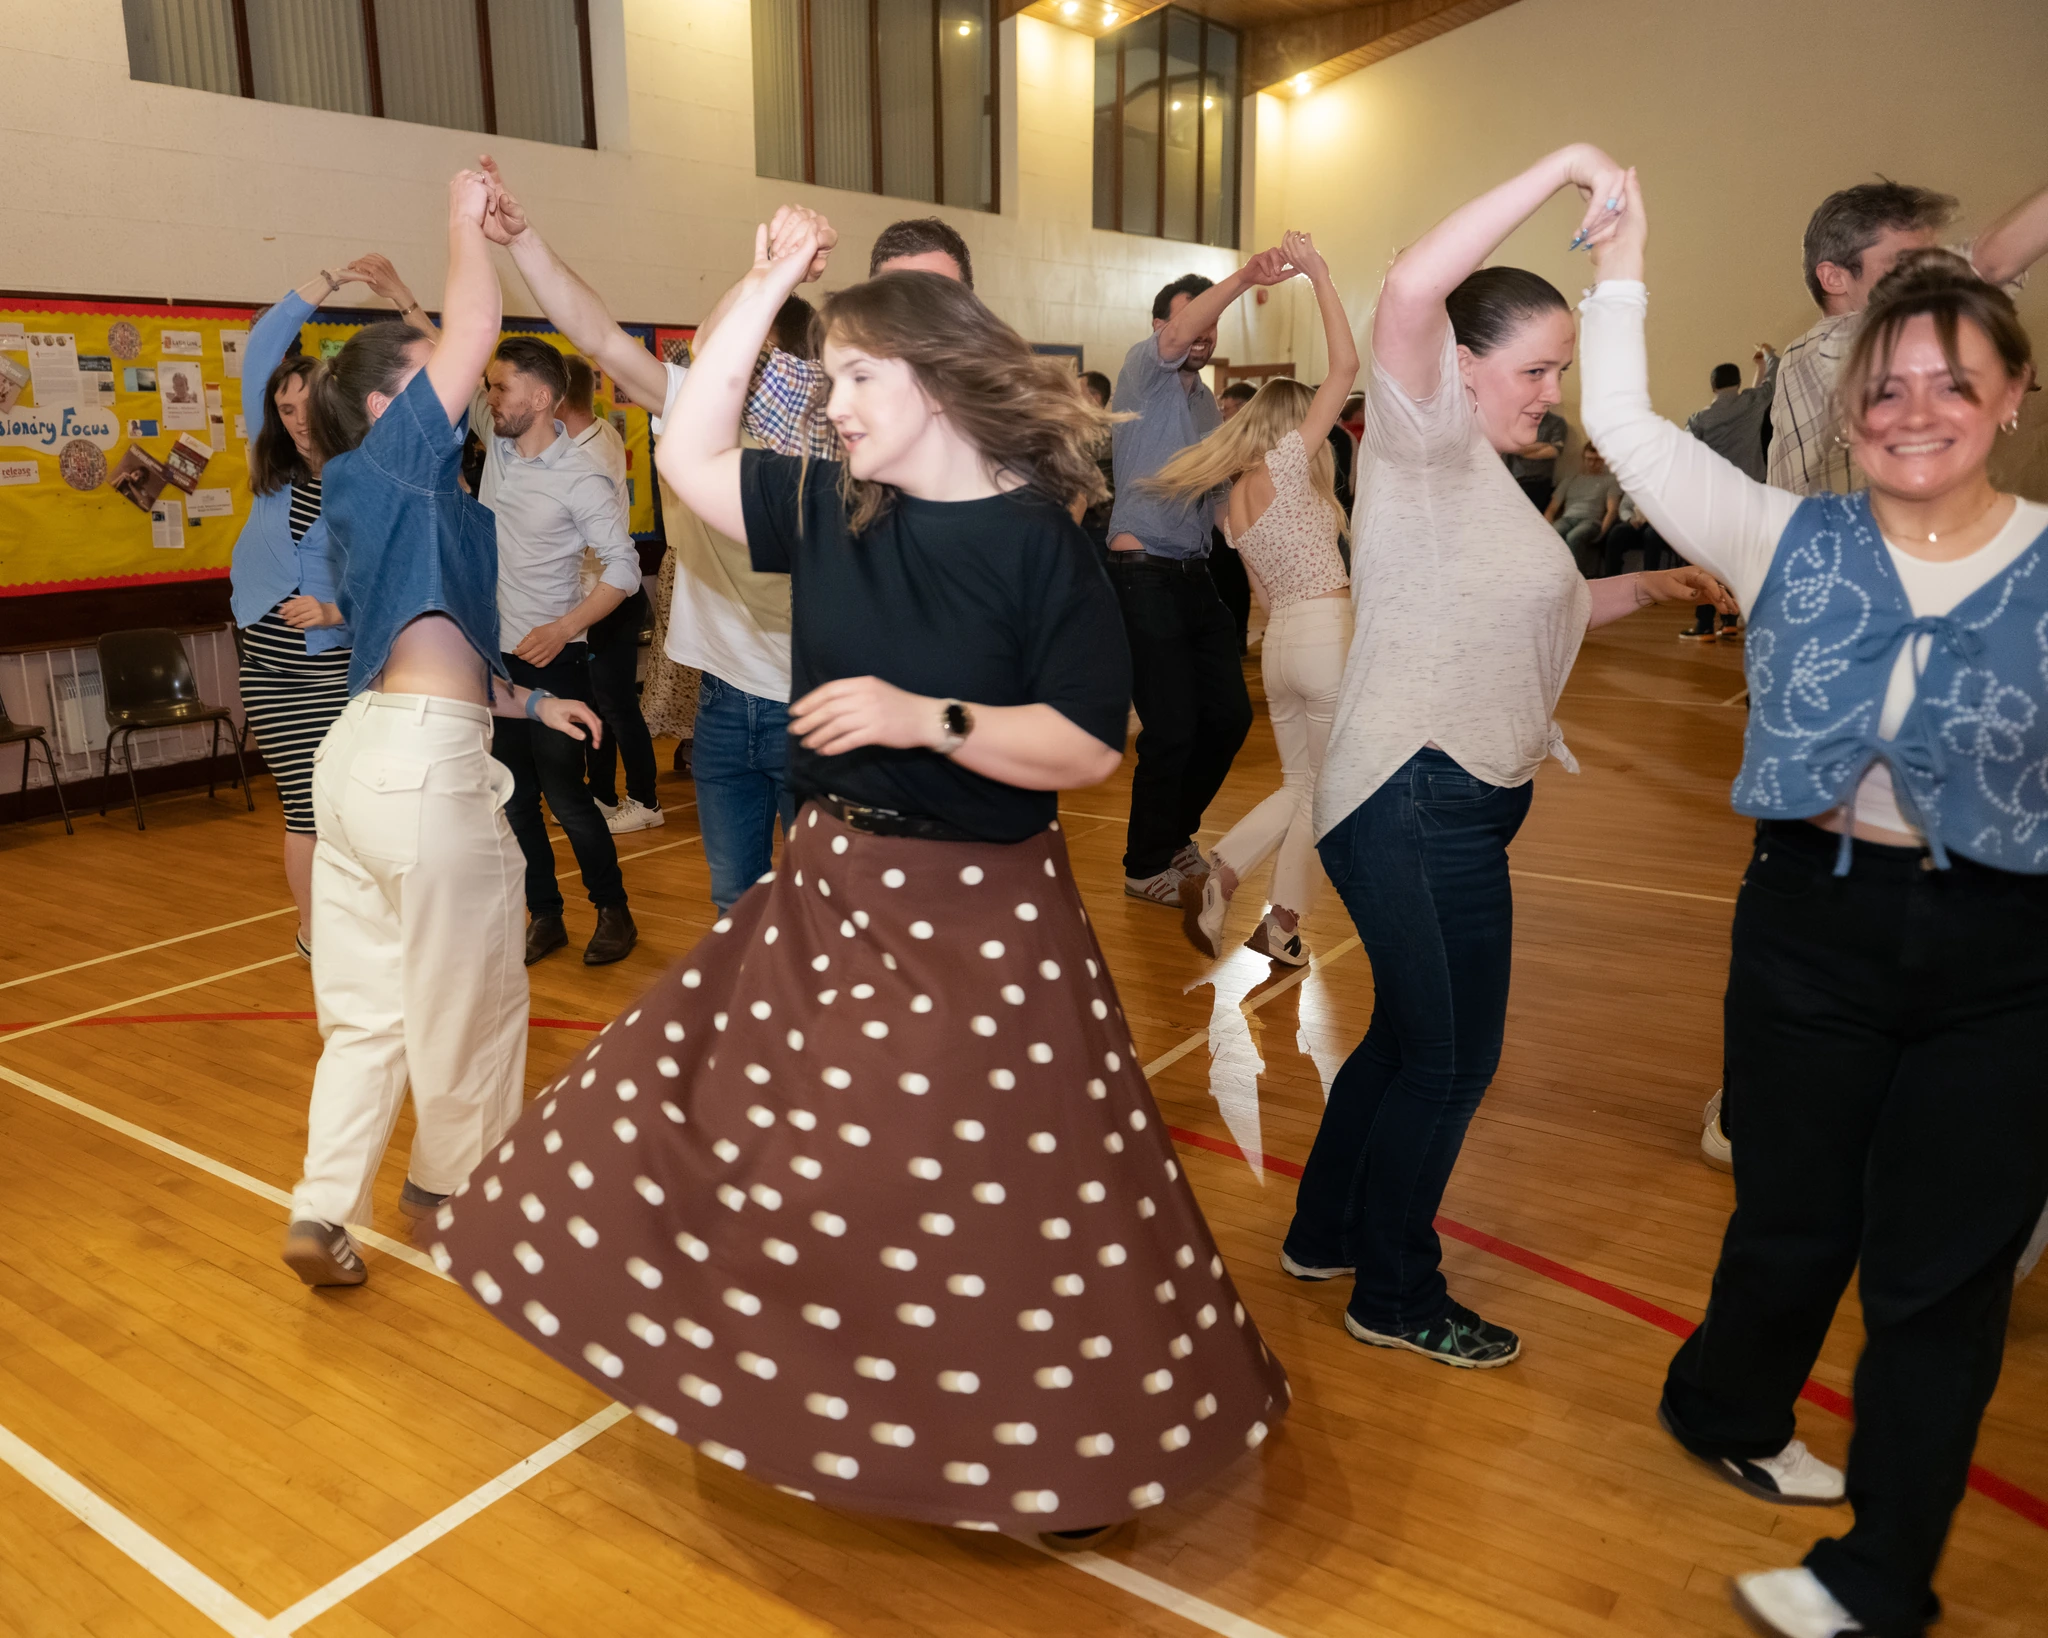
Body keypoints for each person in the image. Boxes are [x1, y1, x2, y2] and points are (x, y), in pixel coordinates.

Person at [432, 208, 1291, 1547]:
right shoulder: (832, 504)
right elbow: (690, 444)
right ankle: (791, 1395)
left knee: (1006, 1193)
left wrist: (924, 716)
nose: (830, 405)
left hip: (982, 913)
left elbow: (1079, 743)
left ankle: (1049, 1449)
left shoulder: (1035, 538)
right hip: (830, 885)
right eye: (827, 377)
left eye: (856, 380)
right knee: (702, 1117)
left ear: (938, 383)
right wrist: (771, 275)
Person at [1582, 170, 2048, 1638]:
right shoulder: (1783, 534)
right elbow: (1624, 428)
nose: (1918, 409)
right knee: (1790, 1215)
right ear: (1853, 414)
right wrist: (1630, 264)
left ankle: (1877, 1574)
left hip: (2006, 954)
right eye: (1890, 387)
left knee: (1940, 1279)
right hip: (1810, 921)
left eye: (1953, 384)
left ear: (2012, 397)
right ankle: (1725, 1398)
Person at [1279, 145, 1733, 1372]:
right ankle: (1394, 1290)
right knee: (1451, 1057)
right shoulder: (1422, 439)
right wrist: (1568, 165)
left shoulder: (1478, 478)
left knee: (1403, 1040)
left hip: (1445, 799)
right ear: (1459, 367)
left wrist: (1650, 582)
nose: (1549, 393)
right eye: (1533, 369)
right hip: (1417, 797)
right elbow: (1411, 291)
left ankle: (1325, 1232)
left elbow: (1539, 614)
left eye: (1557, 371)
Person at [281, 170, 604, 1287]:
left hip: (371, 754)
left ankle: (323, 1210)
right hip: (420, 773)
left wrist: (529, 697)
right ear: (386, 405)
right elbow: (470, 325)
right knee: (477, 999)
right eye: (429, 380)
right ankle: (452, 1195)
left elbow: (433, 650)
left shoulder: (413, 499)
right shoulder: (395, 463)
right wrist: (464, 217)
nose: (459, 386)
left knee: (368, 1016)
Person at [476, 159, 836, 914]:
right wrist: (526, 239)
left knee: (824, 912)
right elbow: (598, 336)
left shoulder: (836, 452)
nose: (717, 355)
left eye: (746, 344)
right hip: (727, 701)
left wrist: (767, 277)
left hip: (816, 705)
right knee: (736, 904)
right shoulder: (700, 417)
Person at [1146, 231, 1358, 969]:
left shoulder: (1230, 501)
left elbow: (1261, 597)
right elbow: (1346, 367)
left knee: (1304, 787)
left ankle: (1271, 918)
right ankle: (1246, 887)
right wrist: (1320, 275)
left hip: (1278, 648)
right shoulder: (1292, 463)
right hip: (1327, 633)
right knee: (1324, 796)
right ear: (1294, 426)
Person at [231, 254, 435, 957]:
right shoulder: (270, 473)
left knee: (345, 807)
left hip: (334, 673)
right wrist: (325, 281)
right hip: (268, 670)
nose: (292, 420)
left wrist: (336, 615)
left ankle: (369, 923)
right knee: (302, 807)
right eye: (282, 408)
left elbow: (394, 579)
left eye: (304, 406)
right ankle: (315, 932)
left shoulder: (365, 474)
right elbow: (262, 347)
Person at [1108, 251, 1294, 906]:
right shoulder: (1141, 373)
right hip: (1142, 575)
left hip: (1193, 576)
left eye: (1212, 325)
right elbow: (1182, 336)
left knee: (1229, 714)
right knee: (1174, 727)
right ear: (1162, 326)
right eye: (1191, 323)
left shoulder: (1206, 407)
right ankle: (1142, 864)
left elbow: (1221, 506)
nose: (1203, 336)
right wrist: (1244, 278)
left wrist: (1270, 585)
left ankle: (1173, 836)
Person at [476, 337, 642, 967]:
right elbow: (451, 353)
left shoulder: (583, 476)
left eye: (502, 388)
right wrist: (406, 300)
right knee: (516, 802)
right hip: (495, 663)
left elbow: (623, 571)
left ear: (542, 398)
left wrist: (563, 627)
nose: (491, 399)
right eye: (490, 386)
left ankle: (613, 911)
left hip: (556, 660)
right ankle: (546, 916)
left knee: (567, 800)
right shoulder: (499, 453)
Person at [1769, 176, 2048, 497]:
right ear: (1834, 277)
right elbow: (1990, 265)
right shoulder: (1814, 350)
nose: (1924, 278)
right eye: (1904, 264)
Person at [559, 354, 663, 835]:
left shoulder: (589, 454)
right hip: (596, 597)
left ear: (556, 397)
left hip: (611, 599)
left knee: (618, 705)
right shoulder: (591, 434)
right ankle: (600, 794)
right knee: (597, 702)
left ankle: (645, 800)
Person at [1675, 348, 1779, 641]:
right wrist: (1768, 355)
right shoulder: (1751, 403)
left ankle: (1705, 624)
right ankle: (1732, 620)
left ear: (1712, 386)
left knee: (1709, 562)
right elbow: (1772, 380)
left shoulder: (1699, 419)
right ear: (1738, 382)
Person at [1543, 441, 1621, 575]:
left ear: (1603, 460)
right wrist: (1546, 529)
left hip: (1591, 521)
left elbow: (1612, 510)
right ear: (1583, 458)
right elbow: (1552, 508)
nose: (1592, 464)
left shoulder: (1610, 481)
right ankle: (1553, 577)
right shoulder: (1571, 479)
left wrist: (1602, 533)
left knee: (1574, 537)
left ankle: (1579, 581)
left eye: (1597, 460)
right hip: (1567, 518)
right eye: (1589, 459)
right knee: (1556, 533)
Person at [1504, 407, 1567, 511]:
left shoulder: (1557, 422)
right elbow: (1508, 447)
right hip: (1511, 479)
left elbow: (1553, 451)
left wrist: (1520, 449)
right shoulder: (1517, 420)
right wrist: (1543, 446)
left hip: (1538, 481)